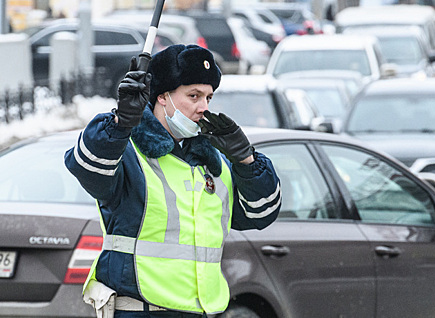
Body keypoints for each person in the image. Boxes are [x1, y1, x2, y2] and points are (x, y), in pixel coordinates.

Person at [64, 44, 281, 318]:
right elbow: (86, 166)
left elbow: (262, 213)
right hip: (140, 311)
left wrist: (246, 160)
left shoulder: (214, 162)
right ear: (163, 97)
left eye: (209, 98)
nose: (203, 107)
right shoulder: (129, 153)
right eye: (193, 96)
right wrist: (120, 122)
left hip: (200, 312)